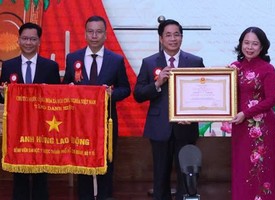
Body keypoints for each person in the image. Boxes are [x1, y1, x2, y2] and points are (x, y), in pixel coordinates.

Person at [133, 19, 205, 200]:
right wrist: (157, 83)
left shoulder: (195, 61)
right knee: (160, 175)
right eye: (168, 35)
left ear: (181, 37)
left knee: (186, 174)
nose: (173, 39)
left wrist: (193, 114)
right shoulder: (149, 63)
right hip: (159, 127)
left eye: (177, 34)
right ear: (161, 38)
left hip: (186, 126)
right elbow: (138, 94)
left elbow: (203, 93)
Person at [62, 15, 131, 200]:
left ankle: (105, 196)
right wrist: (68, 90)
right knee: (82, 163)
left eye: (99, 32)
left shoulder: (115, 60)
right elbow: (66, 85)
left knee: (107, 164)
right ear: (85, 34)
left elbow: (126, 89)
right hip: (79, 122)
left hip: (105, 122)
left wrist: (110, 94)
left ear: (105, 35)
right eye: (91, 31)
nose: (94, 35)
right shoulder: (73, 58)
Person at [0, 22, 61, 200]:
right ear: (18, 40)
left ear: (39, 41)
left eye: (33, 39)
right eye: (25, 38)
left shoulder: (50, 67)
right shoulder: (8, 66)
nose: (28, 42)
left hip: (43, 128)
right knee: (19, 171)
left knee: (41, 172)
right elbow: (4, 99)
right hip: (18, 128)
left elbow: (57, 98)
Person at [229, 27, 275, 200]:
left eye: (255, 44)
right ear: (241, 44)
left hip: (261, 127)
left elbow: (272, 99)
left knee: (262, 168)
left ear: (262, 46)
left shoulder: (268, 69)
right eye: (246, 42)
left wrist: (246, 113)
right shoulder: (234, 68)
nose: (250, 47)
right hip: (241, 126)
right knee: (241, 166)